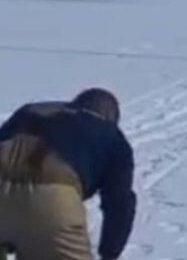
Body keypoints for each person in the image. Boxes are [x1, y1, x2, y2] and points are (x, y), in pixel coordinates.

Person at [0, 89, 137, 260]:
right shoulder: (113, 137)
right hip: (51, 201)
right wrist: (109, 253)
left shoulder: (30, 110)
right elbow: (119, 203)